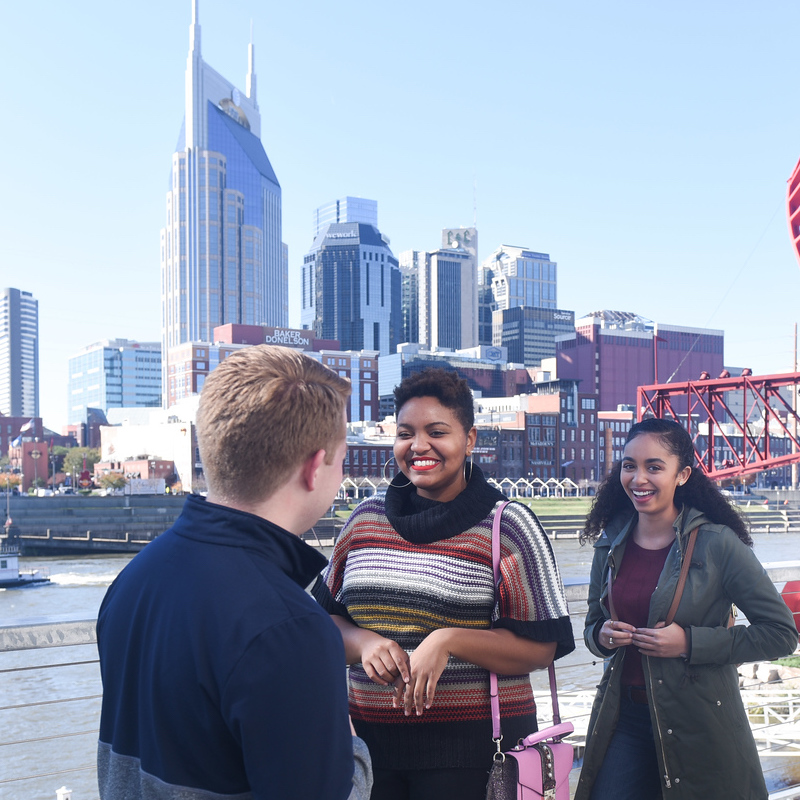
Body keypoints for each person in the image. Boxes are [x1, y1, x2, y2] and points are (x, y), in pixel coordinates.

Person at [96, 345, 373, 800]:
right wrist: (350, 745)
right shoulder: (290, 629)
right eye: (341, 459)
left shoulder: (133, 581)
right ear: (313, 467)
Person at [313, 368, 575, 800]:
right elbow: (319, 622)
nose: (419, 446)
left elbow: (542, 648)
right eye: (405, 433)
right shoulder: (363, 522)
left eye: (437, 432)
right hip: (366, 754)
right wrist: (362, 643)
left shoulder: (508, 526)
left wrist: (450, 641)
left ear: (469, 440)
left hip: (477, 760)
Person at [576, 418, 798, 800]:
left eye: (654, 467)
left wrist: (688, 644)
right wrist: (602, 635)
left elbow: (781, 634)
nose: (638, 478)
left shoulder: (718, 544)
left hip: (699, 719)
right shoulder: (610, 542)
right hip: (623, 717)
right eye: (629, 465)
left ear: (683, 475)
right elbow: (593, 627)